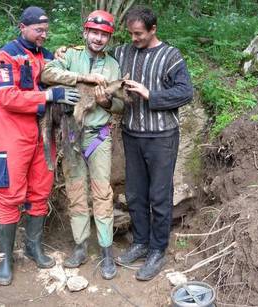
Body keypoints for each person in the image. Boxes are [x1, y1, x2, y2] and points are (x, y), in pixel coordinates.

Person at [0, 6, 81, 286]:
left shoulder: (47, 56)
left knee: (40, 190)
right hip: (12, 132)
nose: (44, 34)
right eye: (38, 30)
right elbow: (6, 96)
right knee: (9, 193)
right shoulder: (6, 56)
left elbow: (62, 71)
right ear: (22, 27)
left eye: (46, 30)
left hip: (44, 132)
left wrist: (68, 55)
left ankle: (33, 247)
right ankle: (6, 257)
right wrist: (48, 94)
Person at [112, 6, 194, 281]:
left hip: (161, 137)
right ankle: (140, 242)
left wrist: (150, 94)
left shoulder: (170, 56)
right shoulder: (122, 52)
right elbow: (100, 64)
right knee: (135, 194)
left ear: (153, 30)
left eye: (139, 34)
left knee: (159, 196)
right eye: (131, 33)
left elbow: (185, 92)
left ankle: (158, 249)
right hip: (131, 133)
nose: (134, 38)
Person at [41, 10, 123, 280]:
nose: (98, 38)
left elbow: (120, 102)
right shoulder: (70, 56)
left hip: (99, 135)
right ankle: (79, 246)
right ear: (85, 32)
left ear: (109, 37)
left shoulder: (112, 65)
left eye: (104, 34)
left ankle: (106, 250)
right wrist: (82, 78)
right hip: (72, 132)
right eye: (94, 32)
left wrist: (106, 102)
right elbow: (48, 73)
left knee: (102, 192)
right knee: (76, 190)